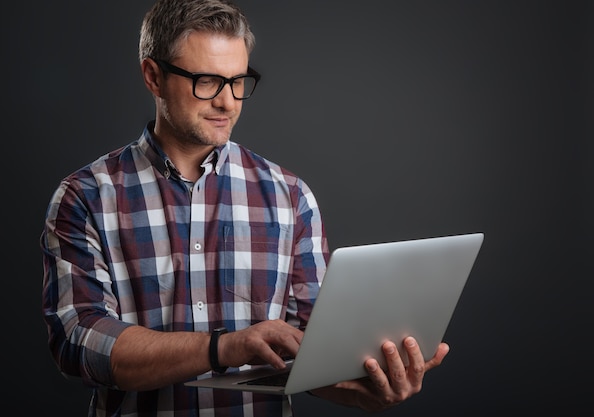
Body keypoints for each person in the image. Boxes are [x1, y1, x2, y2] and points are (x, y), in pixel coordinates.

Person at [40, 1, 450, 416]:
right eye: (207, 81)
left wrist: (369, 387)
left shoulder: (291, 197)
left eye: (238, 81)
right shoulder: (85, 196)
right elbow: (79, 340)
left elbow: (313, 357)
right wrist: (225, 346)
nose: (228, 102)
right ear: (154, 77)